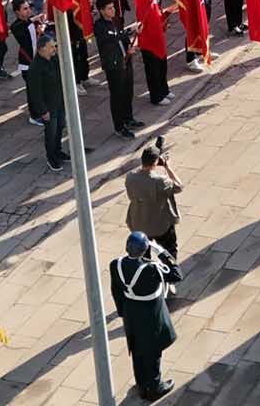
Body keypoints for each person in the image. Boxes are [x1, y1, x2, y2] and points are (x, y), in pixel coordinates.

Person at [110, 231, 181, 402]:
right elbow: (176, 274)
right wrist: (162, 252)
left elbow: (116, 291)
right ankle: (154, 388)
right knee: (152, 351)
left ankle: (142, 382)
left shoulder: (116, 264)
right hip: (151, 313)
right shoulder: (151, 268)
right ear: (144, 250)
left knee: (137, 349)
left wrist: (123, 312)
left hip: (132, 313)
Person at [96, 0, 143, 139]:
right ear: (102, 10)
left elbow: (121, 37)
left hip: (125, 61)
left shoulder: (115, 21)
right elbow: (112, 39)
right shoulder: (100, 26)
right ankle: (119, 126)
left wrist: (130, 45)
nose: (113, 10)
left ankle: (128, 118)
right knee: (117, 96)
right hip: (114, 65)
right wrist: (130, 30)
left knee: (128, 91)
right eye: (109, 8)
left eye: (113, 7)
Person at [126, 144, 185, 256]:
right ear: (156, 162)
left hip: (139, 223)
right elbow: (179, 186)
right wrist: (167, 167)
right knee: (169, 251)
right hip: (160, 225)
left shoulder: (130, 177)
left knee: (142, 255)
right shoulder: (160, 181)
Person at [29, 29, 67, 169]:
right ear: (42, 49)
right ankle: (51, 157)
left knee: (60, 127)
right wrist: (43, 111)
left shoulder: (54, 59)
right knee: (51, 132)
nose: (54, 49)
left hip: (59, 101)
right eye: (51, 47)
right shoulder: (35, 68)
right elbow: (35, 93)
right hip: (48, 106)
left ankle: (58, 151)